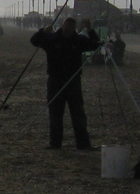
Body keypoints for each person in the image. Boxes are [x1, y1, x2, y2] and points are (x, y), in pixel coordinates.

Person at [31, 18, 101, 150]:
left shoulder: (78, 40)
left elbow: (95, 44)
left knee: (78, 114)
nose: (68, 30)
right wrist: (43, 31)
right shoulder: (52, 39)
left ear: (74, 28)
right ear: (62, 26)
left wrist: (90, 30)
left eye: (71, 28)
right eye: (67, 27)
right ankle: (55, 143)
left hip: (73, 81)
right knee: (55, 113)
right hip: (55, 80)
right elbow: (34, 41)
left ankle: (83, 144)